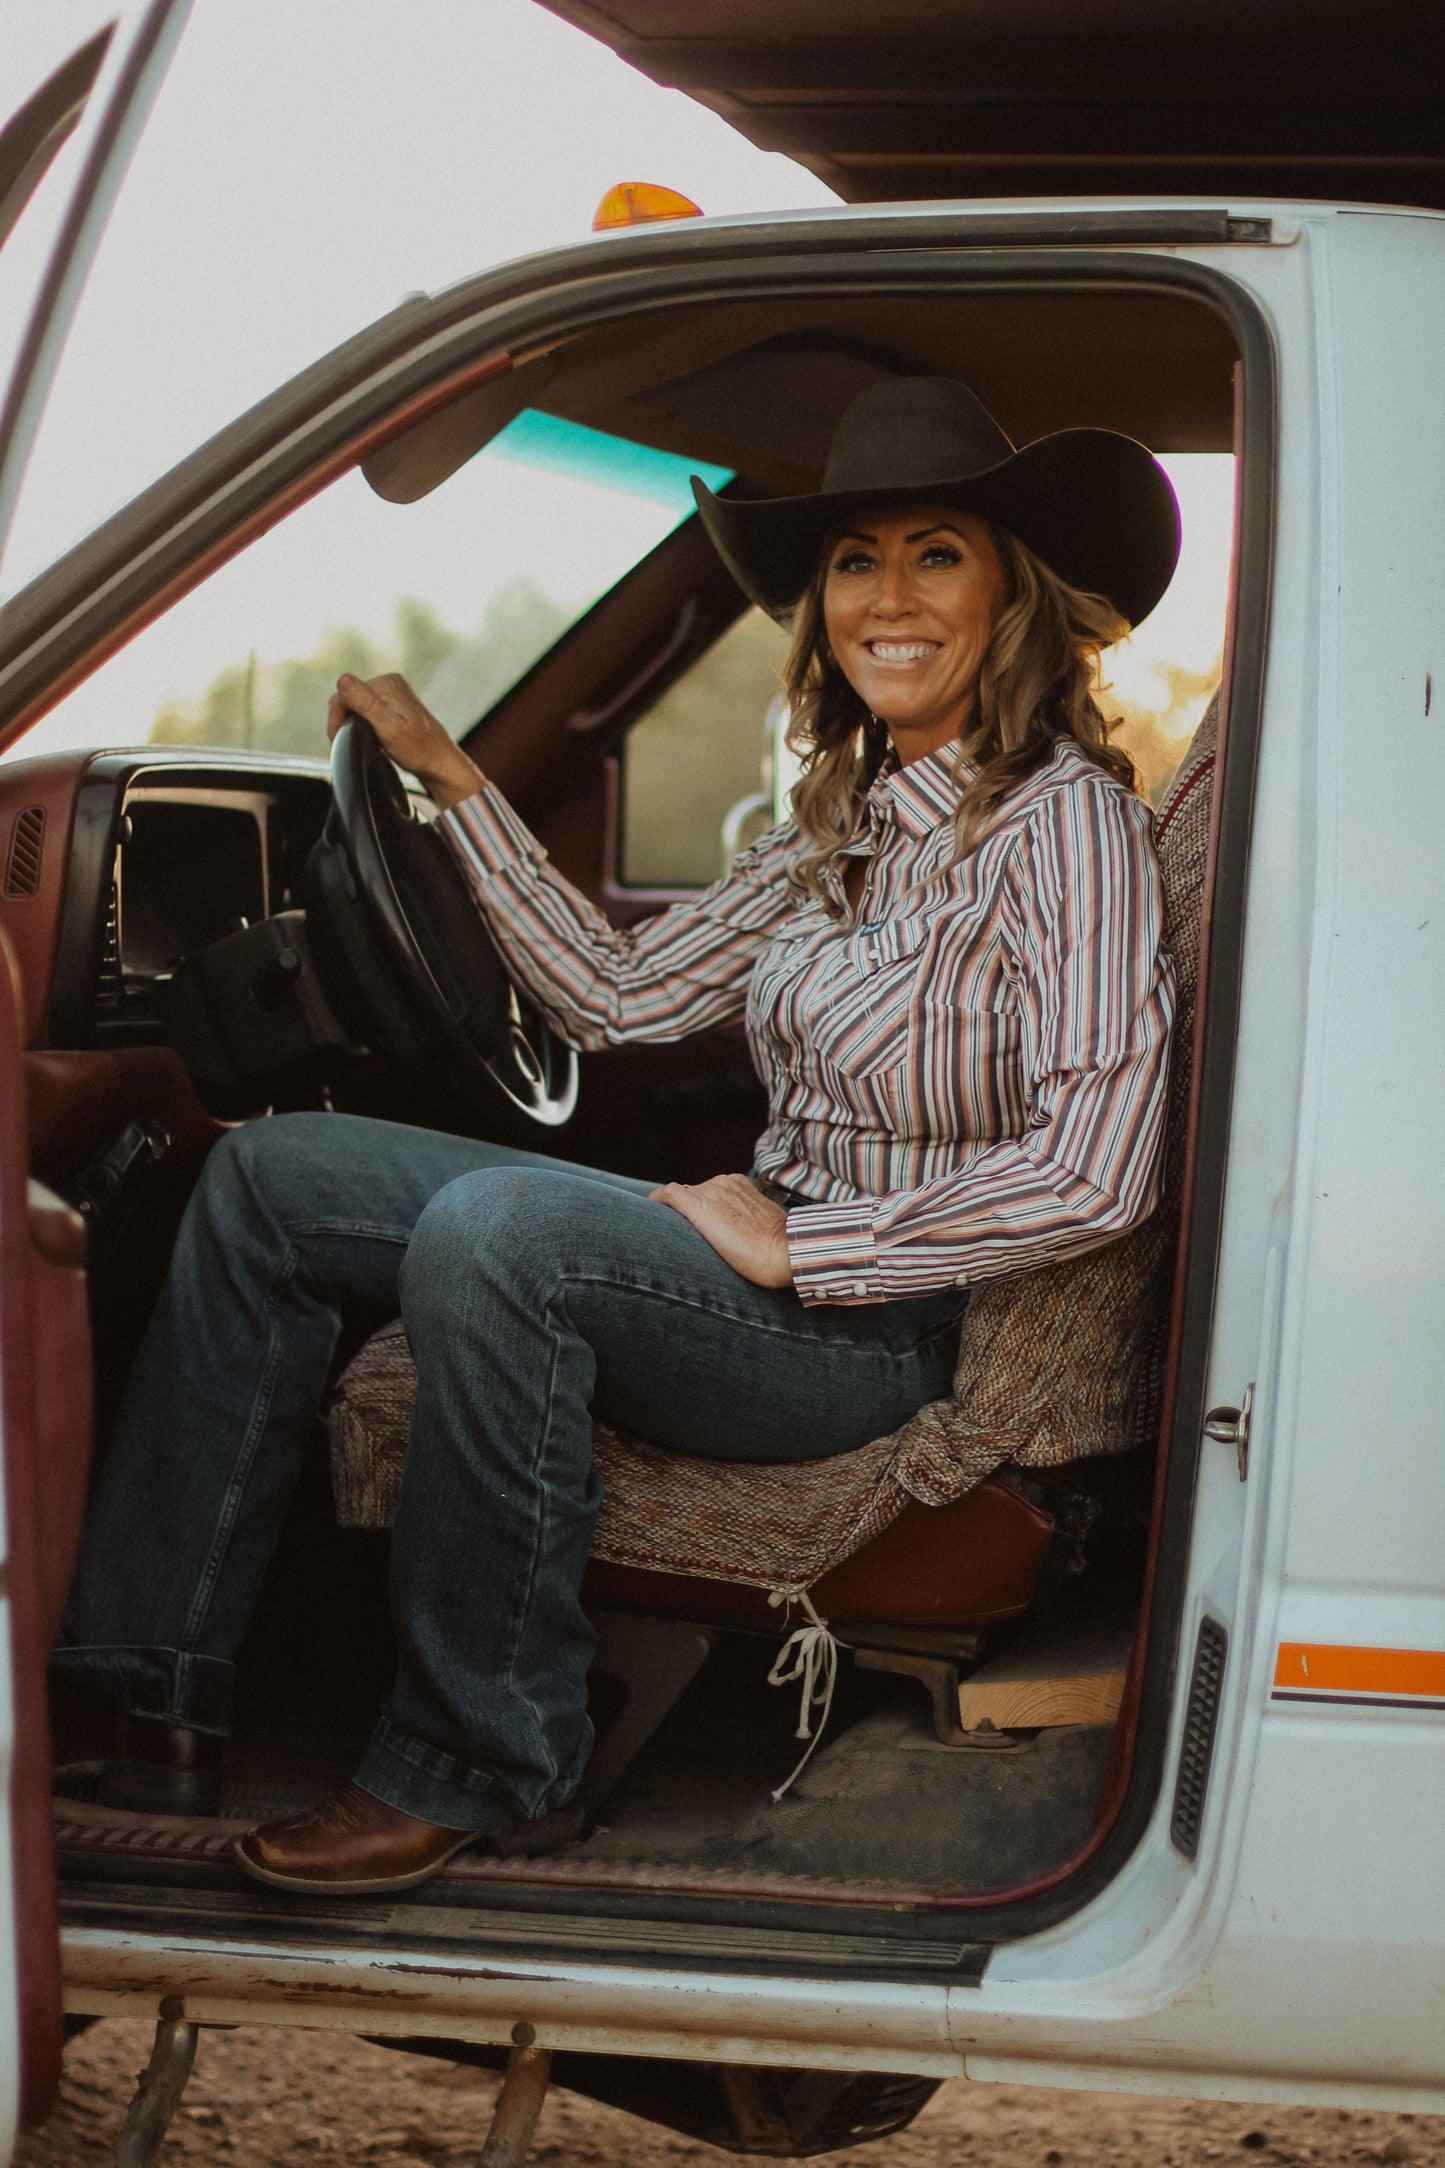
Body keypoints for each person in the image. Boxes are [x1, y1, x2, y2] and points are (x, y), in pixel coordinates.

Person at [52, 376, 1179, 1896]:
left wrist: (807, 1240)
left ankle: (481, 1756)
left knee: (497, 1234)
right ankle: (141, 1684)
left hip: (875, 1326)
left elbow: (1101, 1167)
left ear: (1012, 597)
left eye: (936, 556)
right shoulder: (840, 826)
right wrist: (455, 786)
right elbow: (615, 996)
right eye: (855, 562)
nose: (886, 599)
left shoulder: (1069, 833)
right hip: (746, 1256)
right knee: (265, 1176)